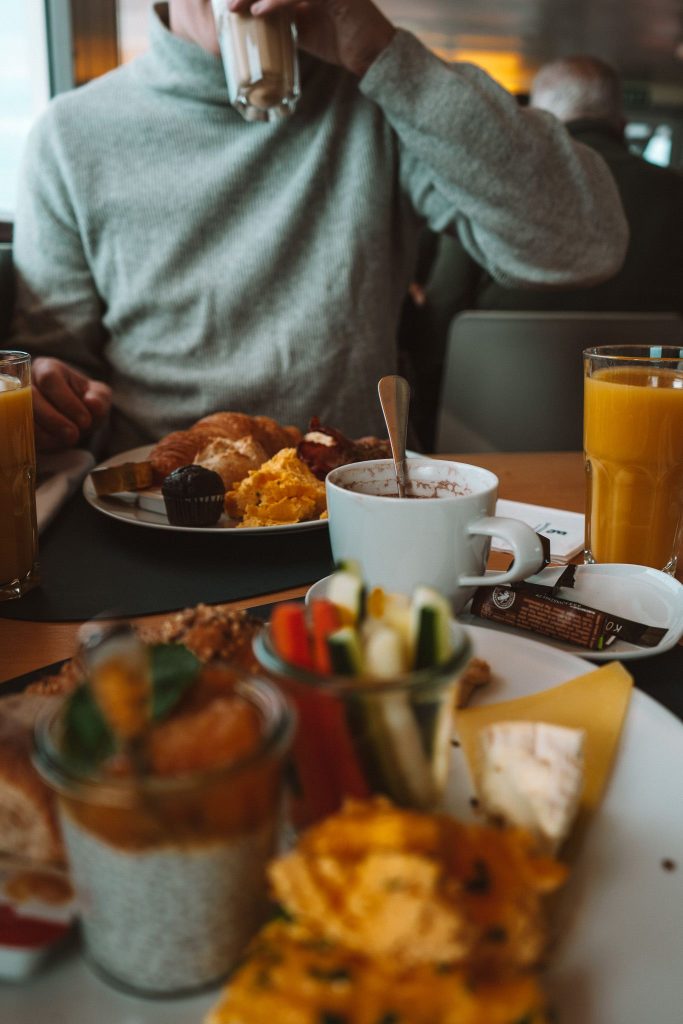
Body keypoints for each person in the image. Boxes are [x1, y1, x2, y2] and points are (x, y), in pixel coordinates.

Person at [10, 4, 628, 455]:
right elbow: (58, 357)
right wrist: (53, 388)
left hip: (354, 498)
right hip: (160, 506)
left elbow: (584, 245)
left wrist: (382, 54)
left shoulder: (379, 98)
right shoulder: (70, 135)